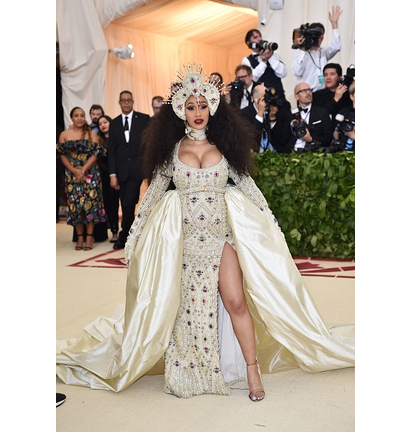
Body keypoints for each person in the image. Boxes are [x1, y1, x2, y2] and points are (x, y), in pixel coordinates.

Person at [57, 62, 354, 402]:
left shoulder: (225, 147)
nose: (197, 112)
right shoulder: (171, 151)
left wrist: (271, 223)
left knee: (235, 300)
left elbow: (248, 187)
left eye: (202, 106)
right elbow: (153, 195)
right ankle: (192, 366)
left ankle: (252, 369)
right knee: (184, 306)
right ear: (180, 110)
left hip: (220, 235)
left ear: (212, 107)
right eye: (190, 106)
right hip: (184, 239)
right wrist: (135, 234)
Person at [57, 107, 106, 251]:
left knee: (90, 205)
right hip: (72, 175)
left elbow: (96, 154)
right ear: (71, 118)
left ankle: (90, 237)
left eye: (82, 115)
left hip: (90, 174)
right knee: (76, 206)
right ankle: (79, 237)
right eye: (76, 115)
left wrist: (83, 170)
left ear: (85, 118)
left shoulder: (91, 134)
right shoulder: (64, 134)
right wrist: (74, 171)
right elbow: (62, 155)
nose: (79, 118)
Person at [108, 91, 151, 250]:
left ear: (132, 101)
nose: (126, 103)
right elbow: (111, 150)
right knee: (127, 203)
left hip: (137, 169)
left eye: (129, 100)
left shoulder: (143, 119)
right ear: (119, 102)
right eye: (123, 101)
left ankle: (124, 235)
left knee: (128, 203)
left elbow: (148, 144)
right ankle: (130, 233)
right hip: (120, 171)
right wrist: (112, 174)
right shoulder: (114, 123)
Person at [292, 6, 343, 93]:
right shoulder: (301, 52)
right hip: (307, 94)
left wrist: (334, 24)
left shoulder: (323, 52)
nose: (319, 40)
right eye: (317, 37)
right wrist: (302, 49)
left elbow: (336, 47)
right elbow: (297, 72)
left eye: (321, 37)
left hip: (323, 92)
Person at [241, 85, 292, 153]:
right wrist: (260, 113)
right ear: (256, 99)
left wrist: (272, 119)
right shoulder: (244, 114)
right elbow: (252, 137)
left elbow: (281, 140)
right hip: (255, 155)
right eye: (265, 97)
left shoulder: (271, 110)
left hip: (273, 154)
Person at [289, 82, 334, 152]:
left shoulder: (322, 112)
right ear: (296, 97)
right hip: (292, 153)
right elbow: (283, 139)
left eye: (309, 90)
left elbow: (328, 138)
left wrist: (311, 139)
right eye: (304, 91)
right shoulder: (289, 114)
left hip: (314, 153)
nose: (308, 93)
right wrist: (292, 125)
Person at [97, 115, 120, 243]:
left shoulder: (117, 137)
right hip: (106, 178)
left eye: (105, 122)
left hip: (121, 175)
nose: (103, 125)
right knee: (111, 206)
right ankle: (114, 231)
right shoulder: (99, 141)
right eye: (100, 124)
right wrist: (111, 174)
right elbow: (99, 162)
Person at [242, 28, 287, 93]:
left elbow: (283, 73)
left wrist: (270, 58)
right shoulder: (246, 60)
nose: (260, 39)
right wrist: (263, 62)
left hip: (278, 96)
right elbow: (252, 78)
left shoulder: (274, 54)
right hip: (260, 98)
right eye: (255, 37)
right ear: (249, 43)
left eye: (260, 36)